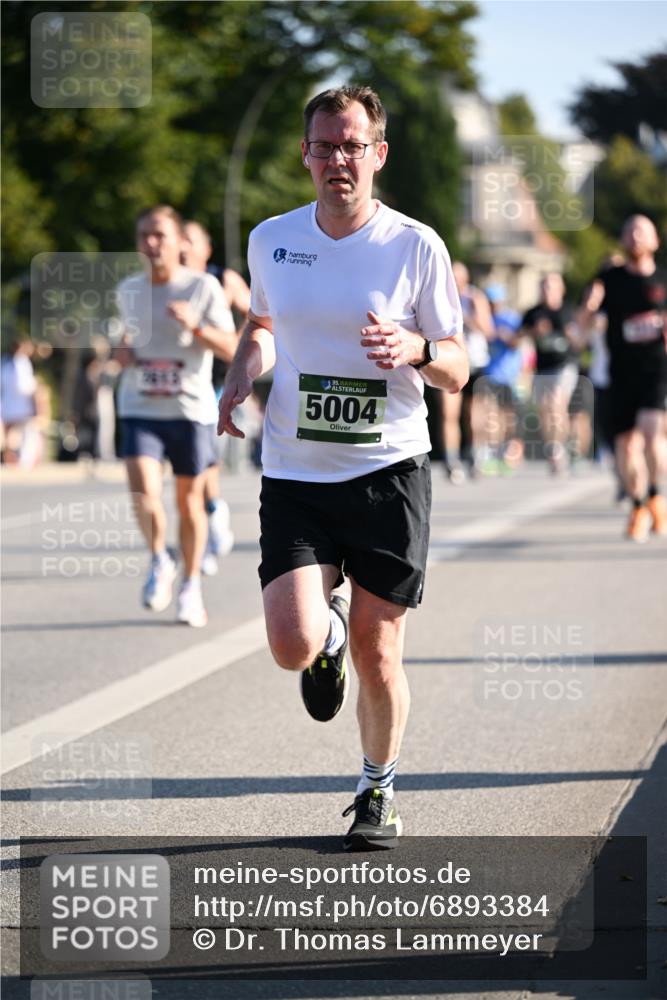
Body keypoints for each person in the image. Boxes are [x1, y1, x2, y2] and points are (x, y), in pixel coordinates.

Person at [218, 85, 467, 850]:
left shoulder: (415, 245)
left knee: (378, 645)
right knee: (293, 642)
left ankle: (376, 787)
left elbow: (458, 365)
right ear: (305, 153)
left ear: (377, 154)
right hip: (296, 470)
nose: (338, 160)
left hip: (388, 469)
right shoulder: (271, 239)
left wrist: (416, 351)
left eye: (352, 145)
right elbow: (263, 323)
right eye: (324, 146)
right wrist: (240, 368)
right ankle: (320, 646)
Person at [115, 205, 237, 625]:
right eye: (144, 235)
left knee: (188, 504)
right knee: (143, 492)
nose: (152, 243)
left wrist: (197, 327)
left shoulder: (202, 288)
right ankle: (158, 559)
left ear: (178, 242)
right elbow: (120, 341)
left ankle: (190, 585)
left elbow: (232, 348)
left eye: (160, 235)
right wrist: (122, 352)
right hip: (140, 406)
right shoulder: (128, 289)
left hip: (189, 410)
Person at [578, 215, 667, 540]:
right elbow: (580, 328)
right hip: (620, 376)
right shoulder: (608, 279)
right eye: (628, 230)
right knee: (626, 448)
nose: (634, 236)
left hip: (656, 372)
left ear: (655, 241)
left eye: (642, 230)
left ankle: (657, 495)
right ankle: (639, 505)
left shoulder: (662, 279)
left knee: (650, 433)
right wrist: (589, 308)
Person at [181, 220, 251, 574]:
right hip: (184, 382)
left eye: (190, 242)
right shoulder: (171, 283)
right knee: (195, 463)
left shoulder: (224, 279)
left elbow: (261, 316)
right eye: (179, 241)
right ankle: (212, 513)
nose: (182, 249)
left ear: (206, 249)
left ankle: (211, 518)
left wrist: (238, 347)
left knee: (202, 455)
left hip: (218, 381)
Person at [522, 273, 580, 475]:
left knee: (556, 404)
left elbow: (578, 340)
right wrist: (534, 332)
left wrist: (569, 332)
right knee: (544, 411)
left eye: (552, 287)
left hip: (564, 365)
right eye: (545, 287)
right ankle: (554, 447)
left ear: (561, 290)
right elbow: (519, 336)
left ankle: (560, 447)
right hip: (542, 367)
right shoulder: (533, 313)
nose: (548, 291)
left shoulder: (567, 311)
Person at [440, 263, 493, 481]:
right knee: (448, 412)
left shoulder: (474, 297)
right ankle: (451, 459)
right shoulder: (439, 295)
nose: (456, 282)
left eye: (460, 278)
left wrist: (467, 316)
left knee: (473, 415)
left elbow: (488, 331)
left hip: (475, 362)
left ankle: (474, 455)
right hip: (448, 360)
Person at [478, 285, 523, 474]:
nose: (492, 306)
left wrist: (506, 336)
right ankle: (491, 454)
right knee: (490, 415)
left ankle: (506, 453)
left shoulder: (511, 318)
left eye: (494, 302)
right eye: (489, 303)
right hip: (490, 374)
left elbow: (518, 343)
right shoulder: (484, 318)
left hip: (508, 376)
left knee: (507, 418)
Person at [1, 339, 37, 465]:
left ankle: (9, 457)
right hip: (20, 404)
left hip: (8, 403)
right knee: (26, 433)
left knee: (10, 433)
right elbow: (24, 385)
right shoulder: (22, 362)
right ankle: (24, 460)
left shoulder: (5, 361)